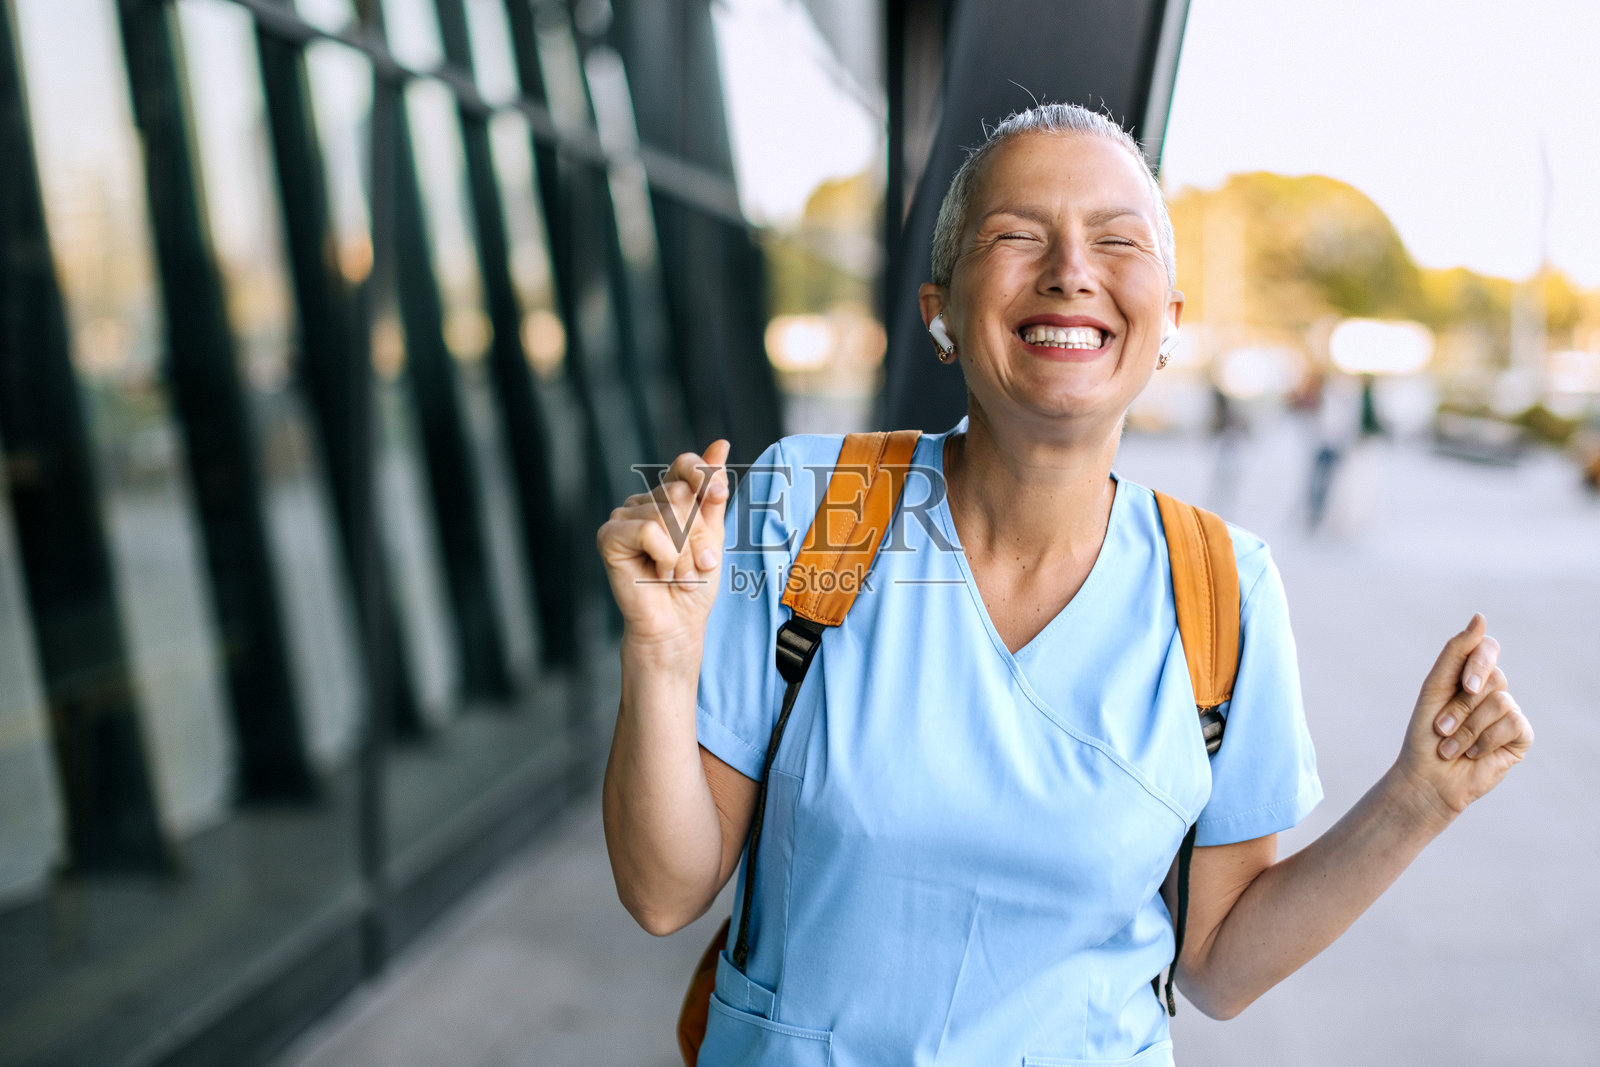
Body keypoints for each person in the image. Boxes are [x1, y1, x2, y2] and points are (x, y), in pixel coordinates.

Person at [597, 104, 1533, 1065]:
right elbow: (664, 891)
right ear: (940, 311)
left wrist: (1417, 799)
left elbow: (1217, 963)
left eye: (1116, 240)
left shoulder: (1220, 586)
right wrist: (661, 657)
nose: (1071, 271)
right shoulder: (813, 505)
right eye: (1016, 236)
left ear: (1166, 323)